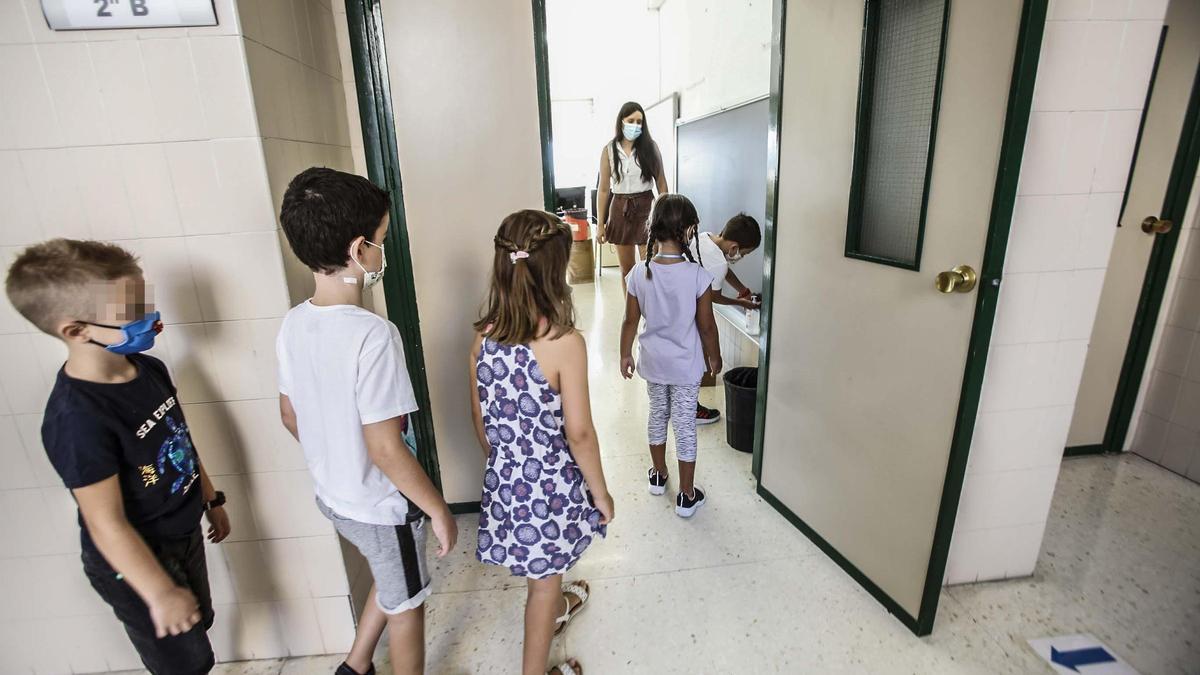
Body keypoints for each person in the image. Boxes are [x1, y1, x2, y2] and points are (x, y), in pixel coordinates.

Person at [5, 239, 231, 675]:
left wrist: (211, 498)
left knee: (200, 628)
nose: (151, 321)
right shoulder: (77, 419)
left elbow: (178, 438)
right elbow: (104, 522)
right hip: (135, 559)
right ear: (76, 330)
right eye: (132, 315)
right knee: (186, 663)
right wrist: (159, 591)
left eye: (145, 305)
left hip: (181, 533)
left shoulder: (149, 369)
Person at [276, 167, 457, 675]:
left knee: (389, 570)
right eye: (381, 240)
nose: (383, 251)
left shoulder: (294, 323)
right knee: (407, 604)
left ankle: (355, 665)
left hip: (334, 495)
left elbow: (290, 413)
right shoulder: (373, 335)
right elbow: (385, 447)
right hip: (380, 504)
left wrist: (334, 452)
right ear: (359, 251)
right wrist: (437, 509)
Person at [469, 210, 614, 675]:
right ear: (557, 273)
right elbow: (580, 433)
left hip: (509, 480)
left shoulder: (483, 337)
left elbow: (481, 417)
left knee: (542, 571)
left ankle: (554, 607)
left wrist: (502, 465)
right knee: (542, 584)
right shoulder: (563, 342)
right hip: (549, 489)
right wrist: (601, 492)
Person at [620, 194, 722, 518]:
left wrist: (625, 353)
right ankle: (687, 495)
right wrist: (714, 358)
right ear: (689, 231)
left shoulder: (639, 272)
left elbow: (629, 321)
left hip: (653, 362)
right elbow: (707, 326)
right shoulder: (696, 276)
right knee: (684, 425)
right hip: (685, 366)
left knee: (656, 415)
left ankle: (659, 475)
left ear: (653, 228)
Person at [686, 212, 764, 425]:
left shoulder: (706, 237)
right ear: (734, 248)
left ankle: (683, 406)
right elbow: (713, 296)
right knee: (694, 364)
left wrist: (743, 289)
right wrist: (742, 303)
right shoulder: (718, 263)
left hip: (677, 308)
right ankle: (691, 410)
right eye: (744, 254)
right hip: (689, 315)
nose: (742, 257)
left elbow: (723, 270)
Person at [596, 101, 669, 292]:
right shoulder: (609, 150)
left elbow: (662, 183)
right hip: (619, 207)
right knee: (626, 270)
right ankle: (631, 309)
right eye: (631, 121)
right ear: (621, 121)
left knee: (650, 266)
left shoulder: (650, 147)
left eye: (639, 122)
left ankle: (651, 310)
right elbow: (603, 189)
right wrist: (600, 225)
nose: (636, 125)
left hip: (646, 206)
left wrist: (666, 216)